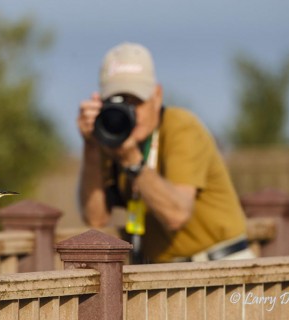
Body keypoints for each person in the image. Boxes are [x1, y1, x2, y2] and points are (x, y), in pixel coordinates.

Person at [77, 42, 254, 263]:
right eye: (119, 103)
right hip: (166, 278)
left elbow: (177, 215)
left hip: (220, 270)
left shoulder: (181, 127)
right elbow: (95, 218)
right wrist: (91, 146)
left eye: (136, 102)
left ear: (157, 96)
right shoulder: (111, 139)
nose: (129, 114)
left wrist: (133, 162)